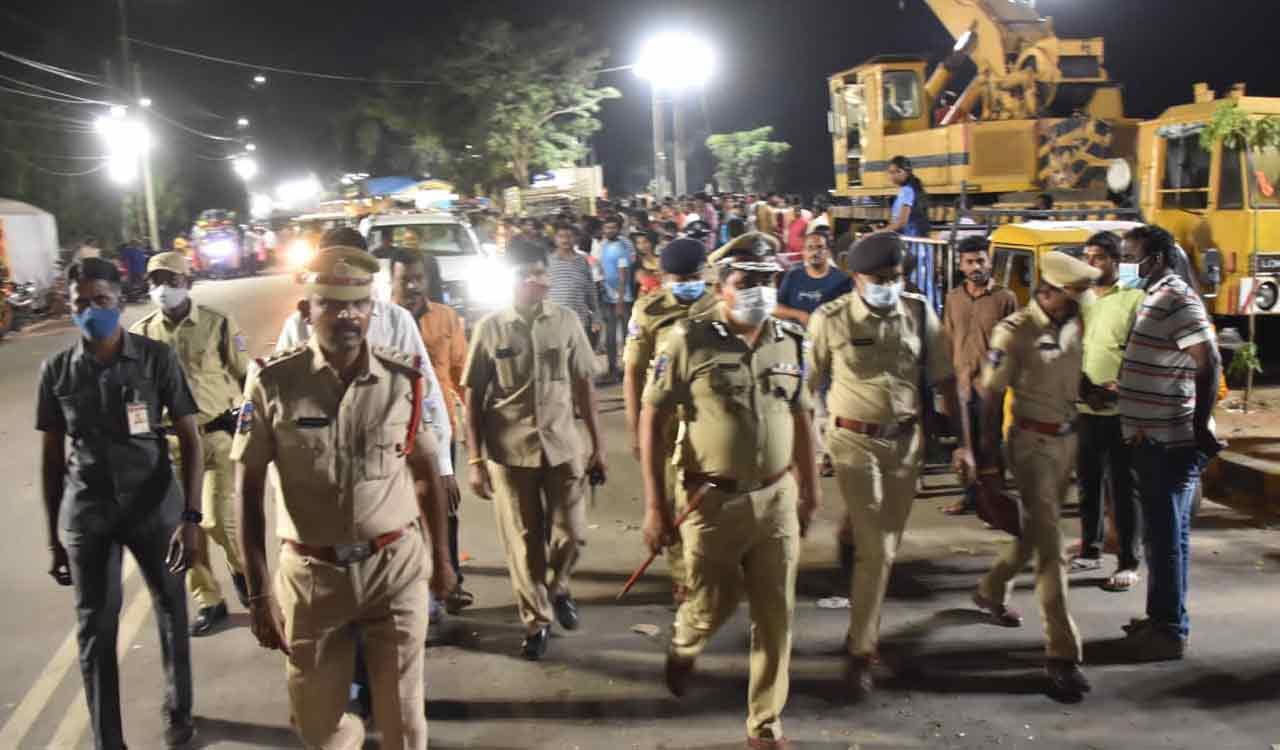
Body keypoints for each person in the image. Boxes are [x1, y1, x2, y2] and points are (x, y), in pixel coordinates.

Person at [232, 247, 455, 750]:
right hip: (312, 580)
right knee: (318, 727)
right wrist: (259, 592)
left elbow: (425, 472)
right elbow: (246, 493)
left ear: (373, 311)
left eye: (358, 304)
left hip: (393, 567)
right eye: (331, 304)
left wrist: (442, 559)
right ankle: (350, 729)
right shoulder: (273, 383)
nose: (346, 315)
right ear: (307, 310)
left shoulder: (404, 382)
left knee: (405, 723)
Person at [640, 239, 819, 750]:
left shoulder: (789, 339)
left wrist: (810, 490)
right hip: (711, 502)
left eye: (768, 279)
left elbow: (801, 414)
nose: (760, 291)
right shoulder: (687, 340)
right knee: (711, 603)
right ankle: (685, 641)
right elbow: (653, 418)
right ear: (722, 285)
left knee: (775, 613)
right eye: (747, 281)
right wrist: (655, 506)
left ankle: (764, 725)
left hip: (777, 496)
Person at [37, 257, 203, 749]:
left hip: (155, 507)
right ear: (70, 308)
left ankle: (179, 710)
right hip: (90, 514)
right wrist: (54, 540)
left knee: (171, 607)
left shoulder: (155, 359)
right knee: (95, 627)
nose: (92, 311)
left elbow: (191, 440)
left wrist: (191, 518)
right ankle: (108, 738)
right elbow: (50, 461)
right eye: (81, 303)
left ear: (118, 300)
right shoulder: (57, 371)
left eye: (102, 301)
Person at [808, 231, 971, 701]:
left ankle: (863, 626)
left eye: (895, 277)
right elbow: (804, 387)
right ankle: (860, 652)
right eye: (878, 278)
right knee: (876, 548)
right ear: (855, 277)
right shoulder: (829, 319)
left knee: (885, 547)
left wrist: (963, 445)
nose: (888, 285)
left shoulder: (919, 313)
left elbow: (945, 381)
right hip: (851, 442)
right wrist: (808, 446)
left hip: (907, 444)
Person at [462, 237, 607, 660]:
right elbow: (472, 397)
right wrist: (474, 460)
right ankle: (537, 621)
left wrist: (598, 445)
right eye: (525, 274)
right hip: (510, 452)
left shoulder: (565, 322)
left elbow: (584, 386)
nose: (534, 280)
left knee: (573, 535)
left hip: (563, 446)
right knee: (524, 543)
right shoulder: (491, 328)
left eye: (540, 273)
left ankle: (558, 584)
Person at [972, 251, 1098, 698]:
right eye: (1077, 290)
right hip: (1030, 444)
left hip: (1069, 440)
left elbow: (1077, 375)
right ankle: (1062, 653)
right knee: (1051, 548)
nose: (1084, 296)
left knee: (1034, 533)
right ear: (1053, 290)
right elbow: (988, 395)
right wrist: (986, 464)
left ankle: (990, 588)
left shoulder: (1079, 321)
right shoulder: (1016, 331)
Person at [274, 228, 457, 510]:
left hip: (390, 468)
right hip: (324, 476)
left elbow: (426, 396)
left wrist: (443, 465)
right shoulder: (298, 325)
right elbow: (280, 409)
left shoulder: (396, 321)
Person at [130, 252, 251, 636]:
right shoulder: (142, 333)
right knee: (180, 530)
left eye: (170, 279)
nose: (162, 288)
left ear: (188, 281)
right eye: (154, 281)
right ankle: (209, 601)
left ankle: (245, 574)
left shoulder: (217, 324)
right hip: (168, 448)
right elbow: (133, 394)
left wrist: (251, 424)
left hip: (214, 439)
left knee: (217, 521)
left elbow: (248, 377)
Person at [1116, 225, 1222, 660]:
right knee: (1166, 536)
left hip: (1169, 438)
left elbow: (1208, 359)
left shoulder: (1177, 297)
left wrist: (1197, 426)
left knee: (1165, 538)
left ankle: (1170, 629)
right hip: (1151, 434)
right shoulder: (1156, 297)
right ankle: (1162, 619)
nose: (1126, 264)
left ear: (1156, 257)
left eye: (1131, 256)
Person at [623, 238, 719, 604]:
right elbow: (632, 373)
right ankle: (683, 577)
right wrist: (637, 431)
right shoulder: (648, 311)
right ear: (664, 277)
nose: (687, 284)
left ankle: (709, 568)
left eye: (693, 277)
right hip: (664, 421)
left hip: (710, 418)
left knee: (709, 498)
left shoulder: (720, 305)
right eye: (679, 278)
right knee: (668, 499)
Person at [389, 248, 473, 613]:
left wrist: (474, 431)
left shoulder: (447, 319)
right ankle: (414, 589)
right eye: (404, 278)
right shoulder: (380, 321)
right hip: (392, 436)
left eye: (418, 278)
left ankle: (448, 580)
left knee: (444, 510)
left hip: (438, 431)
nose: (412, 285)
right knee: (402, 515)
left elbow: (459, 375)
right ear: (391, 281)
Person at [1072, 232, 1146, 589]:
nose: (1090, 264)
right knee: (1087, 484)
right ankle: (1090, 549)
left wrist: (1124, 384)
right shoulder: (1080, 298)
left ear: (1116, 261)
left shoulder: (1134, 299)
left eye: (1098, 257)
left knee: (1123, 487)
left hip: (1120, 410)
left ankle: (1129, 561)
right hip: (1084, 406)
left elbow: (1140, 349)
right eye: (1086, 256)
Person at [940, 236, 1018, 515]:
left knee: (990, 443)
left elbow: (1014, 341)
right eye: (970, 262)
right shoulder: (953, 299)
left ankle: (994, 502)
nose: (976, 267)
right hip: (961, 384)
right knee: (966, 442)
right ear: (961, 266)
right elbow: (947, 338)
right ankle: (969, 497)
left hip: (991, 387)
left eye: (981, 260)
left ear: (989, 262)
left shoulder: (1005, 298)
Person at [598, 215, 636, 382]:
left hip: (622, 299)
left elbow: (623, 276)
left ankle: (629, 369)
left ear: (619, 229)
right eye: (607, 228)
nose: (609, 231)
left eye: (612, 228)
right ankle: (613, 369)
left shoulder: (622, 247)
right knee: (611, 337)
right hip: (608, 297)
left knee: (628, 336)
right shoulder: (604, 245)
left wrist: (620, 300)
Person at [547, 223, 600, 342]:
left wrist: (596, 317)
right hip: (554, 318)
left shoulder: (582, 261)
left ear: (575, 239)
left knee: (578, 356)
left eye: (569, 236)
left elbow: (590, 290)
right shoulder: (548, 261)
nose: (565, 240)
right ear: (555, 239)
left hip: (579, 319)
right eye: (561, 236)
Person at [884, 156, 929, 238]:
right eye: (890, 172)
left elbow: (901, 223)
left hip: (910, 245)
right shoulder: (907, 190)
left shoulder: (907, 191)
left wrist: (877, 233)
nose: (892, 176)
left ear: (906, 172)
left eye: (897, 172)